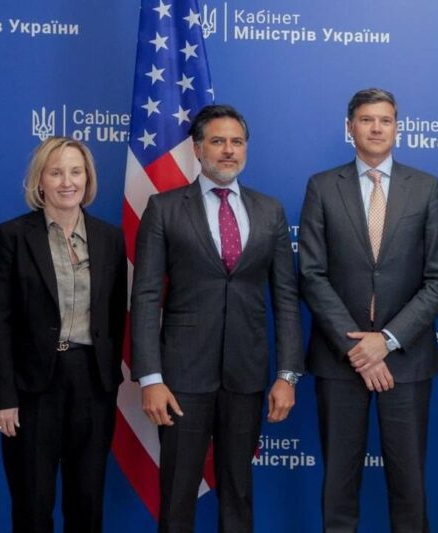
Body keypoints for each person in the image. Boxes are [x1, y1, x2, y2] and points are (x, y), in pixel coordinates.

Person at [130, 104, 304, 533]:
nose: (229, 150)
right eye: (218, 141)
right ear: (197, 148)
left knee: (239, 495)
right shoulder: (164, 208)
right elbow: (146, 297)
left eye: (237, 142)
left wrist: (287, 375)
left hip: (246, 377)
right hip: (181, 379)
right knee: (177, 496)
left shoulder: (270, 210)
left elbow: (286, 298)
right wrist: (150, 378)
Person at [299, 88, 438, 532]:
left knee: (409, 485)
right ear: (350, 128)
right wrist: (358, 348)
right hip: (340, 358)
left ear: (397, 128)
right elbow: (311, 274)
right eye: (366, 120)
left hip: (405, 359)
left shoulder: (425, 188)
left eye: (385, 120)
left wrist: (385, 341)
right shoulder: (322, 187)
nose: (376, 128)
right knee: (338, 484)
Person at [0, 136, 127, 532]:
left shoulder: (110, 238)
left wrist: (109, 381)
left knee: (87, 504)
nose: (68, 182)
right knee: (33, 504)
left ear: (88, 179)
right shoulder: (12, 236)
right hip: (32, 387)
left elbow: (116, 315)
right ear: (40, 181)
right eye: (56, 172)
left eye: (76, 172)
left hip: (92, 384)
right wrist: (4, 397)